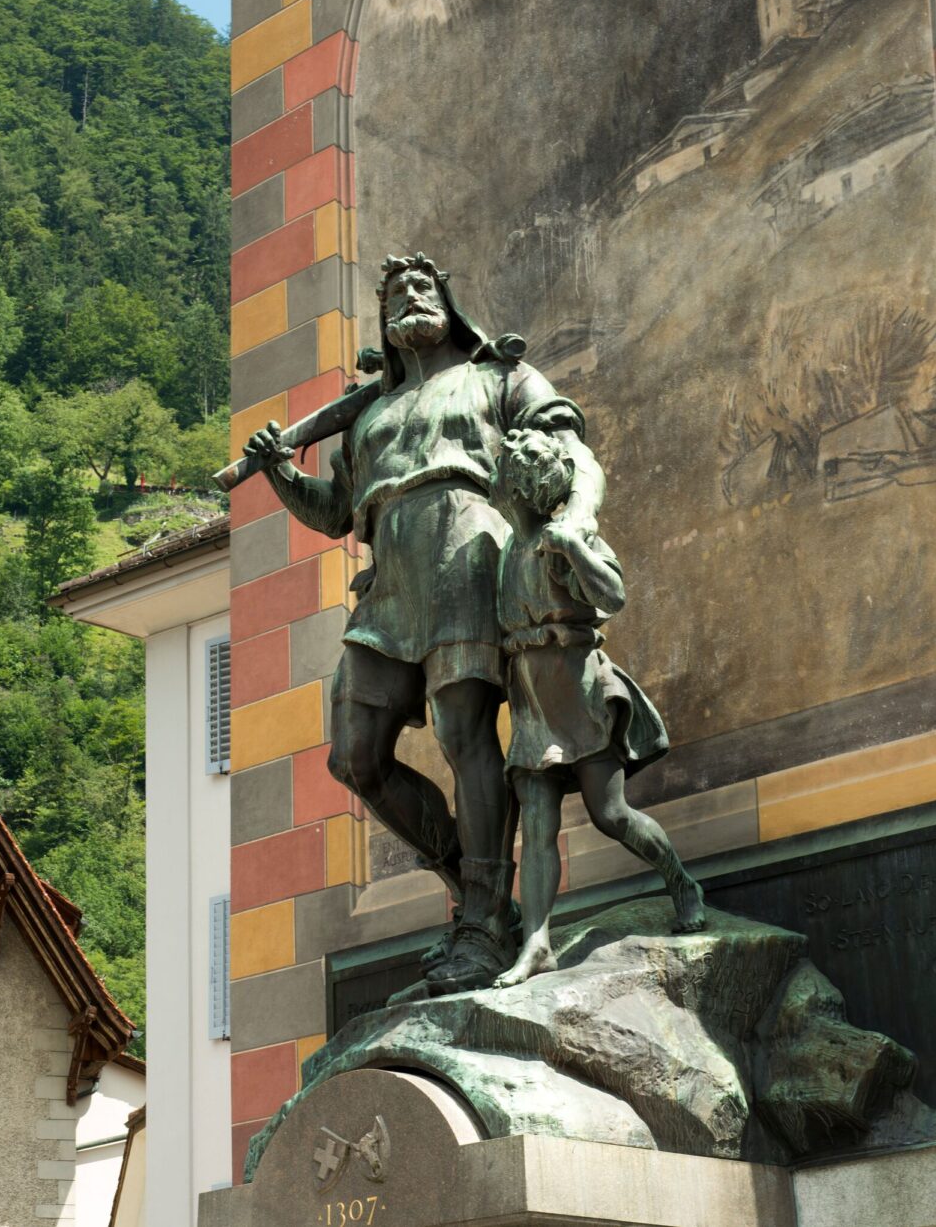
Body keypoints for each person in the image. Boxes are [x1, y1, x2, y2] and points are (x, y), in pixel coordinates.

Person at [241, 253, 603, 995]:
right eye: (396, 292)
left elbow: (565, 440)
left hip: (468, 547)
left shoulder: (495, 377)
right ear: (383, 320)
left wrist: (571, 522)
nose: (411, 297)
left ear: (448, 302)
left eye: (423, 286)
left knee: (464, 732)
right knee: (354, 755)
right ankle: (478, 893)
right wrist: (281, 472)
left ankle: (478, 920)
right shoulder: (369, 413)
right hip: (389, 582)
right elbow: (337, 511)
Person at [485, 428, 706, 989]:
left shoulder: (563, 537)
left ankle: (681, 881)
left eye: (510, 471)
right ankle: (537, 941)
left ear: (525, 486)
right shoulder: (508, 547)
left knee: (611, 816)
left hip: (578, 692)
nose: (502, 478)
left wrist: (577, 547)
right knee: (535, 825)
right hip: (531, 702)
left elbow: (613, 595)